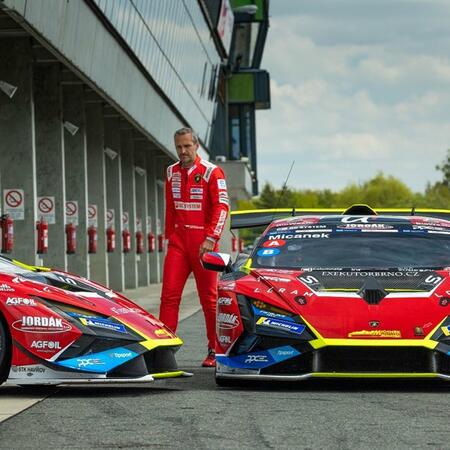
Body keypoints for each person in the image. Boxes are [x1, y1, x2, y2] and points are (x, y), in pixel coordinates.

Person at [159, 127, 229, 367]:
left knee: (209, 299)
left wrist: (211, 238)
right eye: (179, 146)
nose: (183, 151)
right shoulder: (170, 172)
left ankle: (214, 348)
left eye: (187, 146)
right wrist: (168, 236)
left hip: (204, 245)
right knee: (168, 296)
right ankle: (163, 349)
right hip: (178, 244)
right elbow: (170, 206)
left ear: (196, 146)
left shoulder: (212, 172)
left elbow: (222, 207)